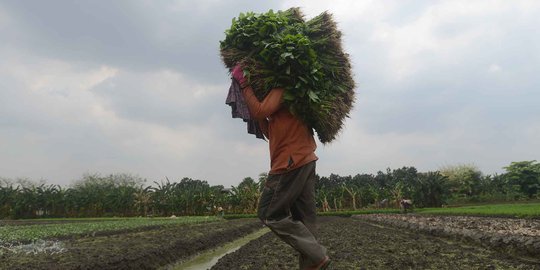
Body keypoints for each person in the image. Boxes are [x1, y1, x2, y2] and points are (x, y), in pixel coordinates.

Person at [232, 65, 331, 270]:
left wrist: (244, 85)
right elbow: (269, 130)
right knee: (305, 219)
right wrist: (257, 114)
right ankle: (311, 265)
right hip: (305, 159)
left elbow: (260, 109)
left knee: (269, 213)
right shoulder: (290, 99)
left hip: (289, 162)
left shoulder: (283, 87)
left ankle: (317, 255)